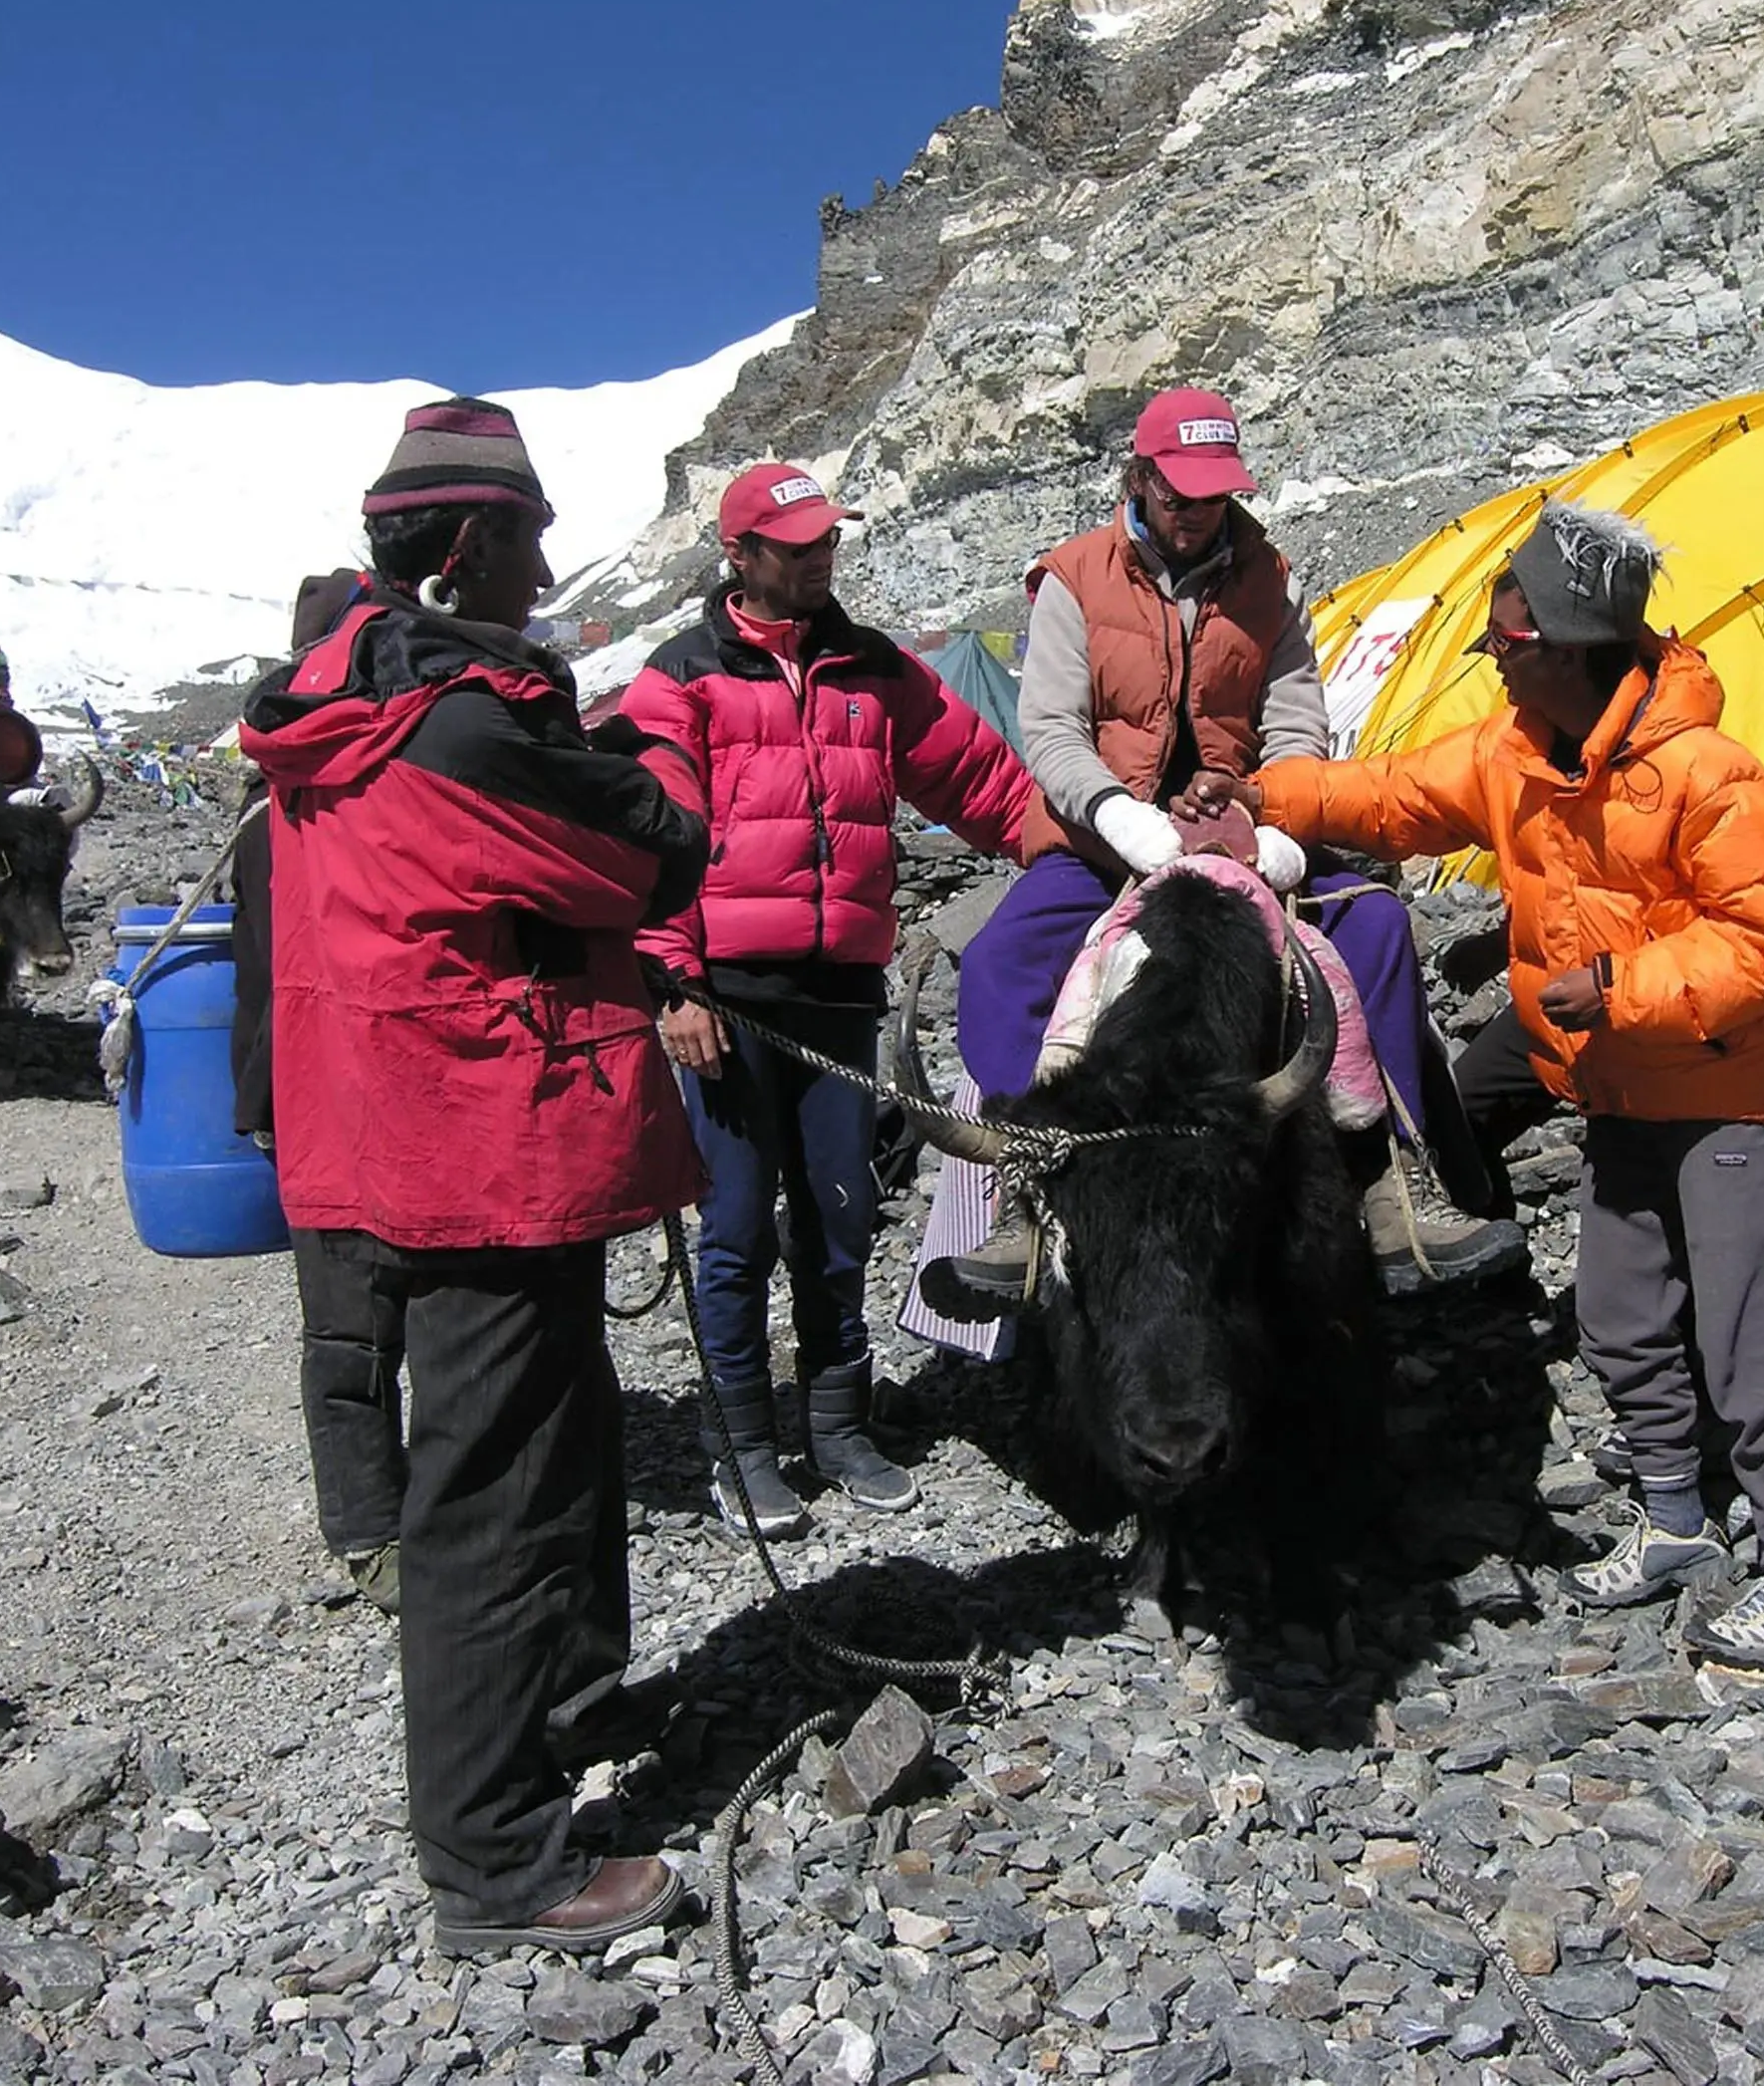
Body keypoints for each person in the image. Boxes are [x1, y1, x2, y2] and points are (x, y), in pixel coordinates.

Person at [239, 398, 708, 1954]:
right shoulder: (457, 719)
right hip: (487, 1135)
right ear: (465, 540)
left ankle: (559, 1711)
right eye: (527, 526)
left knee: (538, 1442)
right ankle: (501, 1859)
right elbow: (641, 852)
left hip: (408, 1119)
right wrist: (631, 763)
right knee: (494, 1489)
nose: (548, 551)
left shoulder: (349, 695)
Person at [1234, 501, 1764, 1664]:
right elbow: (1390, 797)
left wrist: (1618, 982)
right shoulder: (1514, 754)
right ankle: (1677, 1522)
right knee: (1620, 1315)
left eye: (1505, 643)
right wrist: (1261, 802)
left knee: (1749, 1338)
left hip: (1714, 1098)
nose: (1494, 660)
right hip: (1615, 1092)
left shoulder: (1708, 773)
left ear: (1567, 645)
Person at [926, 387, 1520, 1311]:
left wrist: (1273, 830)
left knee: (1376, 930)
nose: (1197, 514)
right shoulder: (1075, 577)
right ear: (1139, 475)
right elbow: (1049, 727)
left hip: (1236, 825)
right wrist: (1125, 820)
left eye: (1212, 496)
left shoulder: (1267, 579)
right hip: (1101, 836)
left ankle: (1390, 1179)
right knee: (1004, 964)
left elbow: (1294, 719)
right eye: (1178, 495)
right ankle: (1030, 1189)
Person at [617, 462, 1033, 1536]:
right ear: (740, 555)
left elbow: (981, 784)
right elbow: (652, 843)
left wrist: (1085, 847)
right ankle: (744, 1446)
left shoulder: (874, 670)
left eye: (825, 542)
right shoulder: (678, 680)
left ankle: (838, 1426)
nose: (818, 557)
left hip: (842, 988)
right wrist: (673, 980)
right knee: (739, 1228)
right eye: (795, 545)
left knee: (843, 1218)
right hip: (728, 1001)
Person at [231, 568, 405, 1614]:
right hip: (324, 1092)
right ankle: (370, 1528)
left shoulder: (288, 802)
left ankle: (386, 1516)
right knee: (353, 1325)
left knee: (364, 1320)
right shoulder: (293, 814)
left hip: (334, 1090)